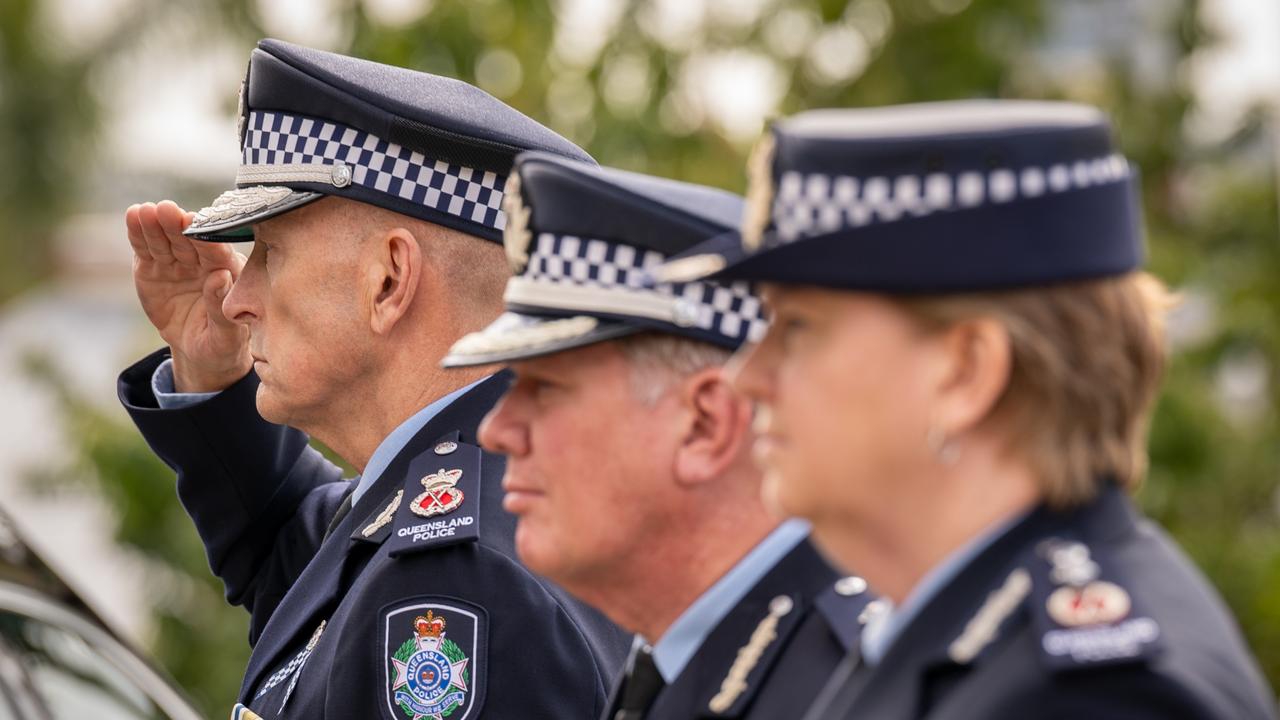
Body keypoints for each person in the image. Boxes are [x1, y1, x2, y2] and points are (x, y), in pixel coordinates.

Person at [661, 100, 1279, 719]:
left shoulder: (1087, 700)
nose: (747, 377)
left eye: (796, 327)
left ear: (965, 373)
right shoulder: (973, 638)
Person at [117, 39, 630, 720]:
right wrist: (215, 373)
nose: (239, 298)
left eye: (270, 251)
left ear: (388, 280)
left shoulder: (458, 581)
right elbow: (307, 562)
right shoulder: (486, 497)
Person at [439, 151, 877, 720]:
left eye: (545, 389)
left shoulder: (847, 692)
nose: (496, 430)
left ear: (704, 426)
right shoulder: (673, 665)